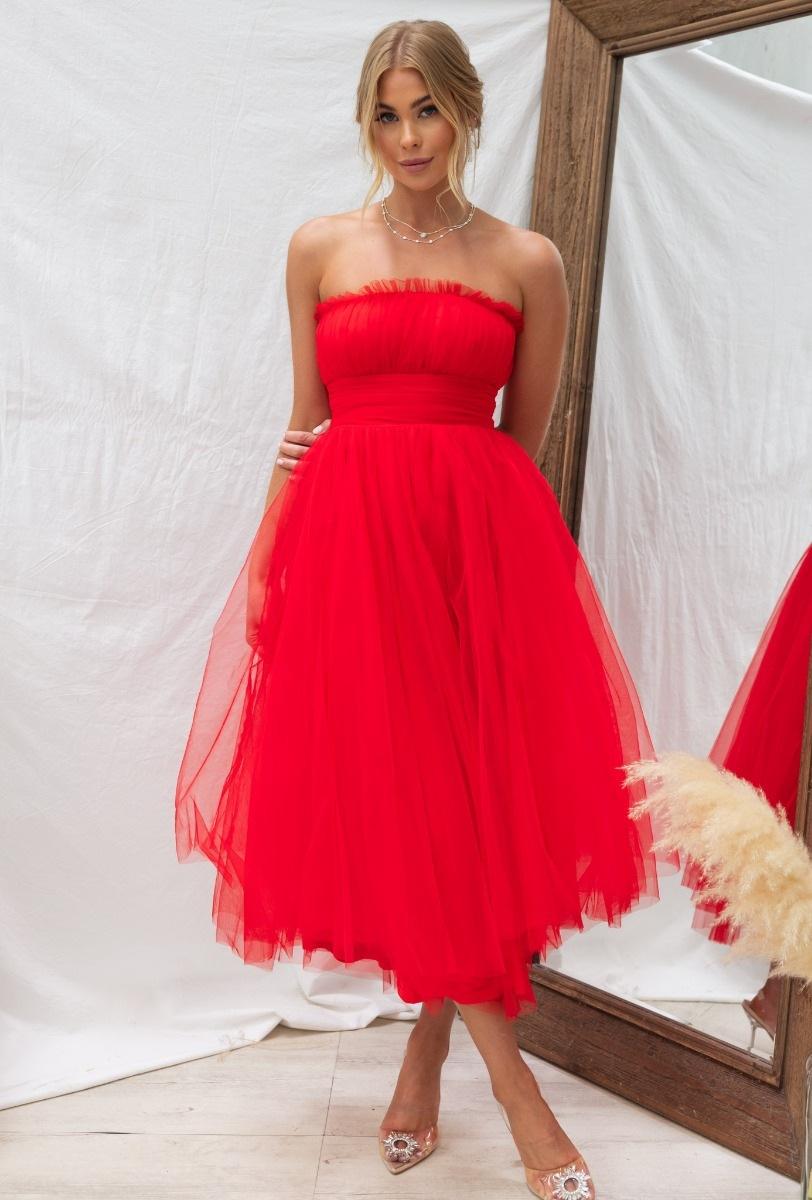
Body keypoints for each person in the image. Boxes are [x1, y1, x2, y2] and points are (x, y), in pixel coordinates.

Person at [174, 19, 678, 1200]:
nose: (409, 137)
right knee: (404, 803)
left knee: (459, 809)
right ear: (367, 122)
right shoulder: (318, 248)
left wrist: (480, 560)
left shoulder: (525, 261)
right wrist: (268, 557)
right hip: (344, 558)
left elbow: (521, 436)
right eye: (387, 115)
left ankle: (432, 1049)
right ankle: (512, 1091)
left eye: (428, 110)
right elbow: (303, 424)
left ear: (465, 113)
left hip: (473, 560)